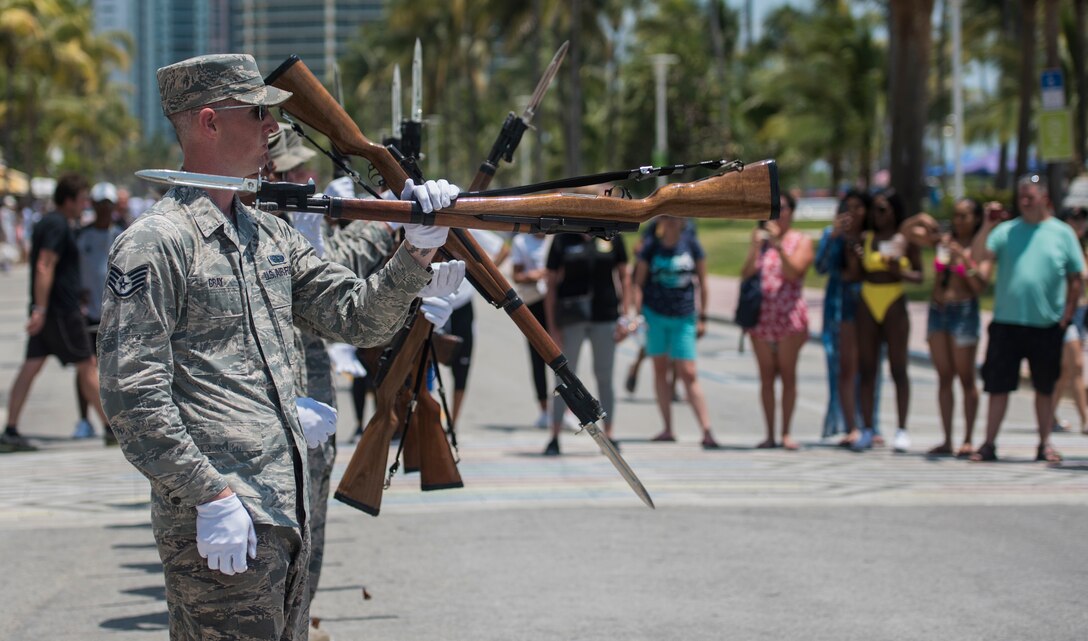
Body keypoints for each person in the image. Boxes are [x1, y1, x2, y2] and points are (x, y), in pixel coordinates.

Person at [96, 54, 464, 640]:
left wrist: (415, 251)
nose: (274, 129)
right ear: (210, 123)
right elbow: (130, 397)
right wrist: (208, 494)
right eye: (258, 114)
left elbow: (355, 317)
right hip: (219, 516)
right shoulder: (156, 242)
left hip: (282, 509)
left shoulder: (265, 231)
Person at [969, 176, 1085, 462]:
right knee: (998, 386)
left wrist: (1068, 313)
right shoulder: (1006, 231)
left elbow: (1076, 276)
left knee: (1045, 387)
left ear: (1044, 198)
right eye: (1021, 196)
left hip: (1046, 325)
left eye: (1029, 196)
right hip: (1007, 322)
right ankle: (988, 443)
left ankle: (1045, 443)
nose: (1024, 201)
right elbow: (977, 255)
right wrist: (986, 225)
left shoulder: (1062, 233)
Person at [1, 174, 111, 453]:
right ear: (70, 199)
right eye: (82, 199)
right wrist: (41, 308)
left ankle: (10, 429)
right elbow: (44, 266)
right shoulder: (58, 225)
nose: (85, 205)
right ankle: (113, 429)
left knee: (30, 367)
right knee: (86, 364)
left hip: (52, 308)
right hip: (60, 311)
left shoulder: (51, 223)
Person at [900, 199, 986, 457]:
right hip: (939, 312)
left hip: (963, 312)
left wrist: (962, 258)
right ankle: (947, 439)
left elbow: (979, 286)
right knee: (944, 377)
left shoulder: (977, 247)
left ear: (976, 219)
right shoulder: (942, 241)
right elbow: (905, 232)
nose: (959, 221)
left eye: (964, 216)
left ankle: (969, 438)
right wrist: (922, 219)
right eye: (956, 216)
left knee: (966, 377)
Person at [632, 216, 719, 448]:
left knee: (688, 371)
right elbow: (638, 282)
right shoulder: (651, 246)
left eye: (676, 217)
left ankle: (707, 430)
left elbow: (703, 281)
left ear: (683, 221)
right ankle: (667, 427)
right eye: (667, 216)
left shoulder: (691, 244)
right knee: (660, 370)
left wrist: (703, 316)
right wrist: (639, 314)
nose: (671, 221)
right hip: (655, 315)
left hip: (684, 315)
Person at [849, 188, 922, 453]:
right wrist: (853, 253)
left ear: (893, 211)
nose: (877, 215)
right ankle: (867, 427)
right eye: (875, 210)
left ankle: (902, 429)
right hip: (869, 297)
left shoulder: (905, 240)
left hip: (893, 299)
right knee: (867, 369)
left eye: (882, 209)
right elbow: (855, 274)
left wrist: (899, 270)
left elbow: (920, 276)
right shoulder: (867, 238)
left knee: (898, 368)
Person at [542, 231, 629, 455]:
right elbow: (550, 282)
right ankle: (554, 435)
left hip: (605, 314)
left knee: (605, 375)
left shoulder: (611, 236)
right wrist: (551, 326)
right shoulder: (563, 238)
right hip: (571, 316)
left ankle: (609, 434)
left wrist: (625, 317)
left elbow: (624, 276)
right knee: (564, 376)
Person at [740, 194, 813, 449]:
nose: (777, 214)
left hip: (788, 319)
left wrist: (779, 245)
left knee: (788, 376)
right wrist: (754, 246)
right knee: (767, 378)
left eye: (782, 209)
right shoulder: (761, 241)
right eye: (773, 209)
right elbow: (746, 273)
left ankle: (786, 433)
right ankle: (770, 433)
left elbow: (795, 272)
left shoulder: (800, 241)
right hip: (761, 319)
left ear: (792, 212)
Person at [814, 191, 884, 445]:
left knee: (870, 367)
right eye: (848, 208)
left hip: (868, 304)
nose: (853, 213)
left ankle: (870, 423)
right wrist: (833, 237)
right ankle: (848, 425)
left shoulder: (871, 238)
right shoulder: (830, 235)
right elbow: (820, 267)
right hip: (839, 305)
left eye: (858, 207)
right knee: (842, 366)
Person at [72, 181, 124, 441]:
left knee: (113, 371)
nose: (104, 210)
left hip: (115, 315)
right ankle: (84, 420)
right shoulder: (80, 236)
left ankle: (115, 419)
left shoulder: (122, 234)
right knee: (85, 369)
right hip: (88, 313)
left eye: (108, 205)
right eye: (99, 205)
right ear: (92, 205)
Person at [510, 232, 551, 428]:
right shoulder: (521, 241)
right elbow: (516, 275)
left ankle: (566, 408)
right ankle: (544, 409)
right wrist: (532, 275)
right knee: (537, 356)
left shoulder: (556, 239)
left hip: (555, 302)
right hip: (534, 302)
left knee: (561, 355)